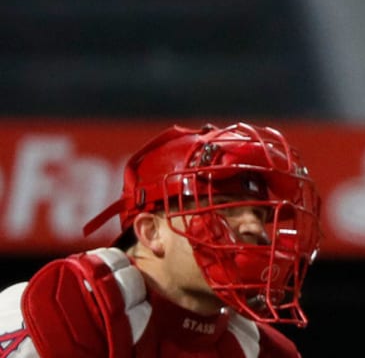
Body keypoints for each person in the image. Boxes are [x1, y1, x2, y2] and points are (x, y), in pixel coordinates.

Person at [0, 123, 321, 357]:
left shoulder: (264, 352)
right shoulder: (63, 310)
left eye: (260, 214)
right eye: (225, 209)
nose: (253, 227)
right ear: (151, 232)